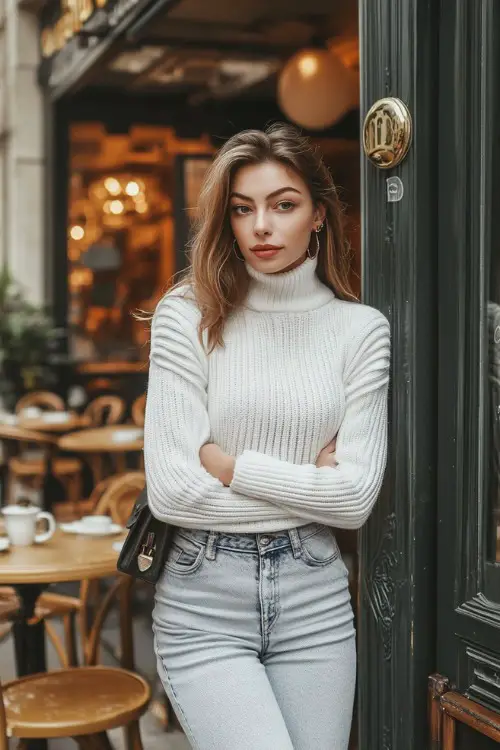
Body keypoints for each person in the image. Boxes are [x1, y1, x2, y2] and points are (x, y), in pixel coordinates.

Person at [144, 123, 390, 750]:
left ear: (318, 215)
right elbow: (172, 493)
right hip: (205, 597)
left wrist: (230, 467)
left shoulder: (360, 331)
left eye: (283, 204)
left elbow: (356, 500)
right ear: (224, 221)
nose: (261, 226)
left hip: (315, 595)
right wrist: (313, 483)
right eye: (241, 209)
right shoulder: (187, 314)